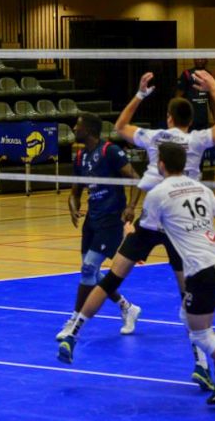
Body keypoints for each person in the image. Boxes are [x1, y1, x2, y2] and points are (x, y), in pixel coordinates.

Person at [57, 71, 215, 391]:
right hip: (180, 223)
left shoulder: (155, 136)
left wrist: (140, 94)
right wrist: (213, 89)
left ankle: (73, 332)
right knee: (187, 296)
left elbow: (120, 127)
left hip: (153, 215)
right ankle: (200, 364)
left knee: (112, 278)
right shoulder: (197, 139)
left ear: (169, 118)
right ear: (190, 120)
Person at [122, 143, 215, 413]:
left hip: (202, 269)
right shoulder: (200, 188)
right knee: (190, 318)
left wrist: (129, 233)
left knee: (201, 334)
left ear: (161, 164)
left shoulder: (157, 194)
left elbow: (145, 236)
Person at [57, 112, 141, 340]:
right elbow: (75, 191)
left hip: (111, 220)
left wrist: (131, 206)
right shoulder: (80, 157)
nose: (74, 129)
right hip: (92, 221)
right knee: (92, 272)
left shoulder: (109, 151)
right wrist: (73, 205)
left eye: (78, 126)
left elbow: (136, 178)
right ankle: (127, 307)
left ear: (89, 130)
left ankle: (75, 320)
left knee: (88, 269)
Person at [176, 58, 210, 130]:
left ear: (207, 59)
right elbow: (178, 97)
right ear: (194, 59)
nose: (200, 60)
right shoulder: (187, 73)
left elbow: (212, 99)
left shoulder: (209, 75)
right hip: (189, 117)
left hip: (203, 118)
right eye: (198, 58)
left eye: (202, 58)